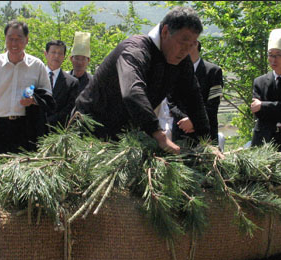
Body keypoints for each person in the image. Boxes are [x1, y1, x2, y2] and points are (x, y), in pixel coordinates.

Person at [74, 6, 210, 154]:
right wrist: (158, 134)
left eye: (191, 45)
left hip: (127, 134)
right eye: (183, 43)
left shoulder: (182, 61)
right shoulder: (135, 50)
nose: (186, 50)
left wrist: (207, 142)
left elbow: (193, 97)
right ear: (165, 32)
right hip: (90, 129)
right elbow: (132, 92)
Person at [0, 20, 52, 154]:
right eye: (10, 39)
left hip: (26, 127)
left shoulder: (37, 66)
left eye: (19, 39)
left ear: (27, 40)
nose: (14, 44)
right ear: (5, 39)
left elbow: (47, 96)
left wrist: (33, 100)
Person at [168, 40, 224, 149]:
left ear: (196, 44)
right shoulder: (173, 70)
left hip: (205, 134)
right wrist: (184, 119)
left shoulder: (213, 71)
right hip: (181, 131)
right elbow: (171, 102)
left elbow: (213, 104)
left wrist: (194, 121)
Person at [44, 40, 79, 130]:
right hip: (35, 128)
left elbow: (69, 109)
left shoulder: (71, 82)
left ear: (64, 57)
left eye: (60, 53)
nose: (56, 56)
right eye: (53, 52)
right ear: (46, 54)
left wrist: (49, 121)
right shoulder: (36, 76)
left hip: (58, 130)